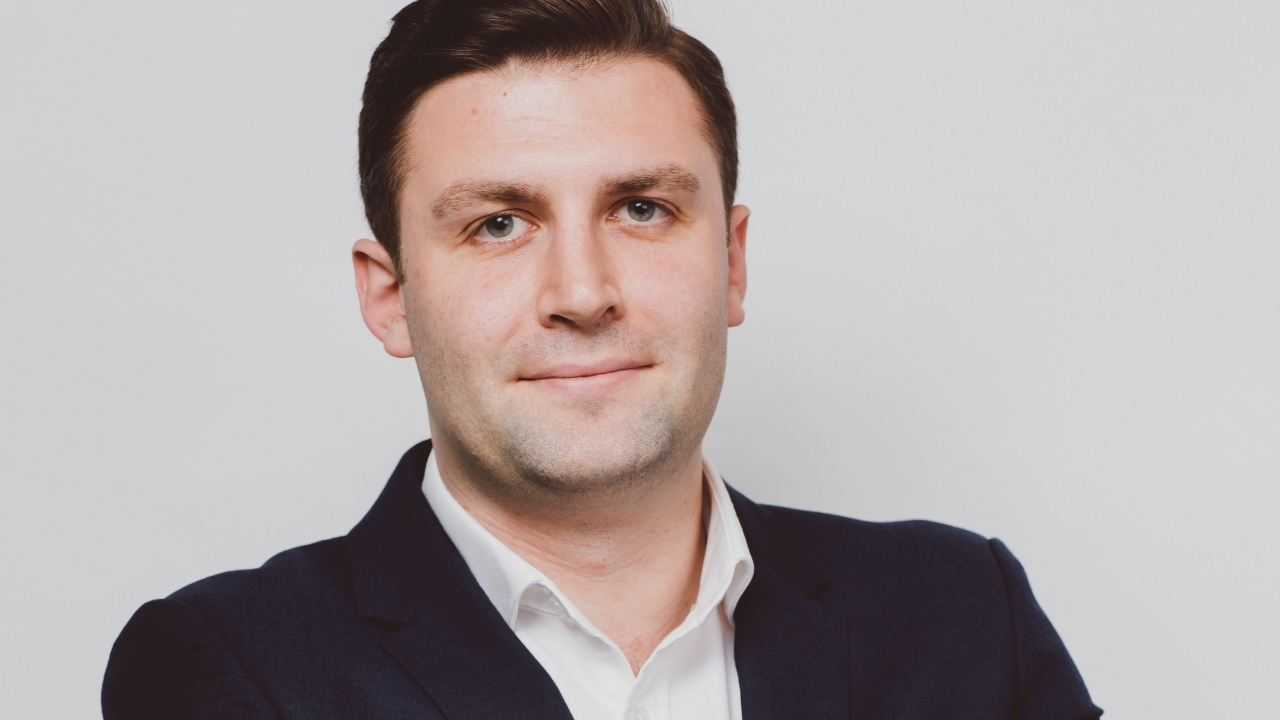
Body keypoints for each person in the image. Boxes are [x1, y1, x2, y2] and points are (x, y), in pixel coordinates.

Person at [102, 1, 1102, 718]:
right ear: (389, 295)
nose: (581, 293)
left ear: (732, 263)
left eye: (642, 209)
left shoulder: (965, 616)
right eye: (498, 224)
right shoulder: (231, 668)